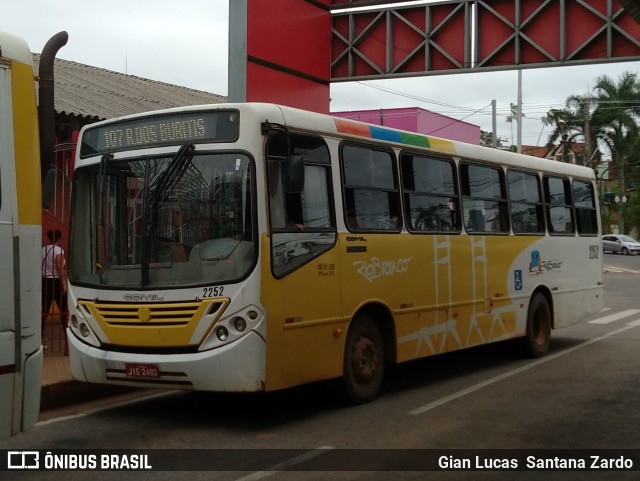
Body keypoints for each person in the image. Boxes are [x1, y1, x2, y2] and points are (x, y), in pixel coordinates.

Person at [42, 229, 68, 339]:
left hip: (44, 281)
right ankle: (66, 330)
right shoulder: (58, 250)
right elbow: (59, 267)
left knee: (45, 308)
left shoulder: (43, 249)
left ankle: (40, 332)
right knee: (63, 308)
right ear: (58, 238)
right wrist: (64, 283)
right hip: (55, 281)